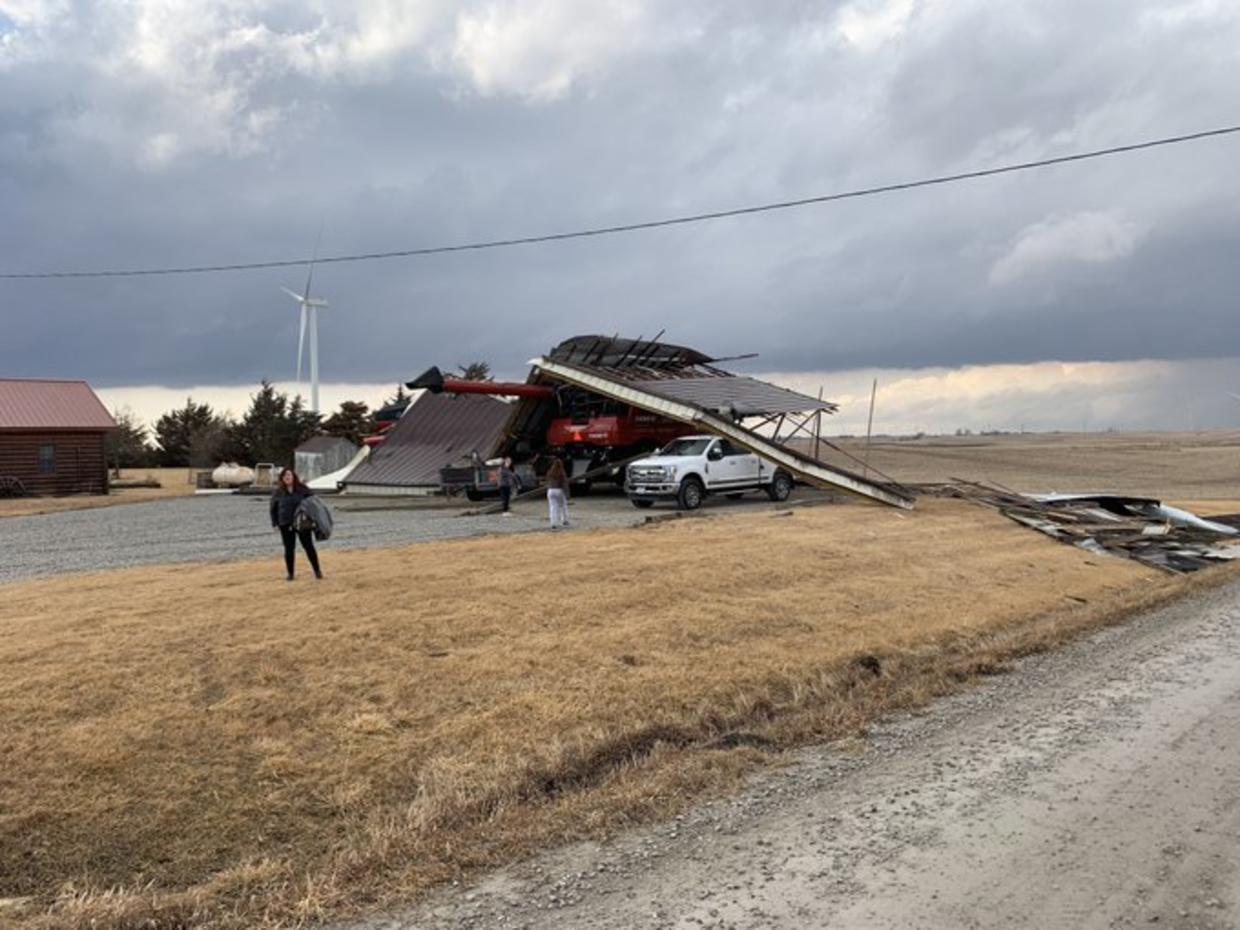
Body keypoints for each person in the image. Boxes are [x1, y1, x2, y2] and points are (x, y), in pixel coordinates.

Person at [269, 466, 323, 580]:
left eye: (289, 475)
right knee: (289, 549)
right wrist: (275, 523)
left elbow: (313, 503)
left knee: (308, 547)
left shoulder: (302, 489)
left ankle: (317, 571)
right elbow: (273, 508)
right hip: (285, 524)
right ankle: (290, 574)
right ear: (282, 478)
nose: (287, 477)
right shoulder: (278, 492)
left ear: (293, 477)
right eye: (285, 476)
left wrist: (315, 519)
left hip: (302, 523)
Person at [545, 458, 570, 528]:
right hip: (559, 490)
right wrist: (567, 494)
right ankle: (565, 520)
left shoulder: (550, 472)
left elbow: (547, 481)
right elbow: (565, 483)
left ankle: (553, 523)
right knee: (563, 506)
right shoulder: (561, 472)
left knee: (553, 507)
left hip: (550, 491)